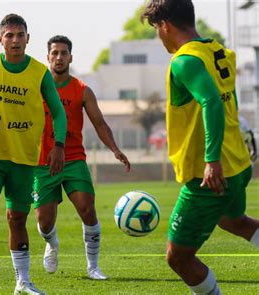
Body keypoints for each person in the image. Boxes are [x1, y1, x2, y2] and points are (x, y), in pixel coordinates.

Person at [141, 1, 259, 294]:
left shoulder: (185, 60)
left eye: (157, 28)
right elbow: (228, 102)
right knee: (234, 220)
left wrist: (211, 159)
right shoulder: (218, 50)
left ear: (165, 25)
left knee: (178, 257)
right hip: (239, 164)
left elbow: (211, 102)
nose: (159, 35)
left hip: (209, 175)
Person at [0, 13, 67, 295]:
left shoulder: (40, 72)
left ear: (28, 39)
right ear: (0, 40)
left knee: (16, 219)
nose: (15, 40)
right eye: (9, 35)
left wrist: (59, 146)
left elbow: (58, 111)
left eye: (20, 35)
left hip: (24, 158)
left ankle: (23, 282)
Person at [34, 35, 131, 280]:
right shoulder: (35, 88)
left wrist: (115, 149)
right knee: (44, 223)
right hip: (42, 162)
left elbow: (99, 123)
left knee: (88, 210)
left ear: (70, 57)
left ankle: (93, 267)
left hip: (73, 159)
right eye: (54, 53)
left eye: (63, 53)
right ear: (47, 57)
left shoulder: (82, 90)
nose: (58, 57)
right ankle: (52, 243)